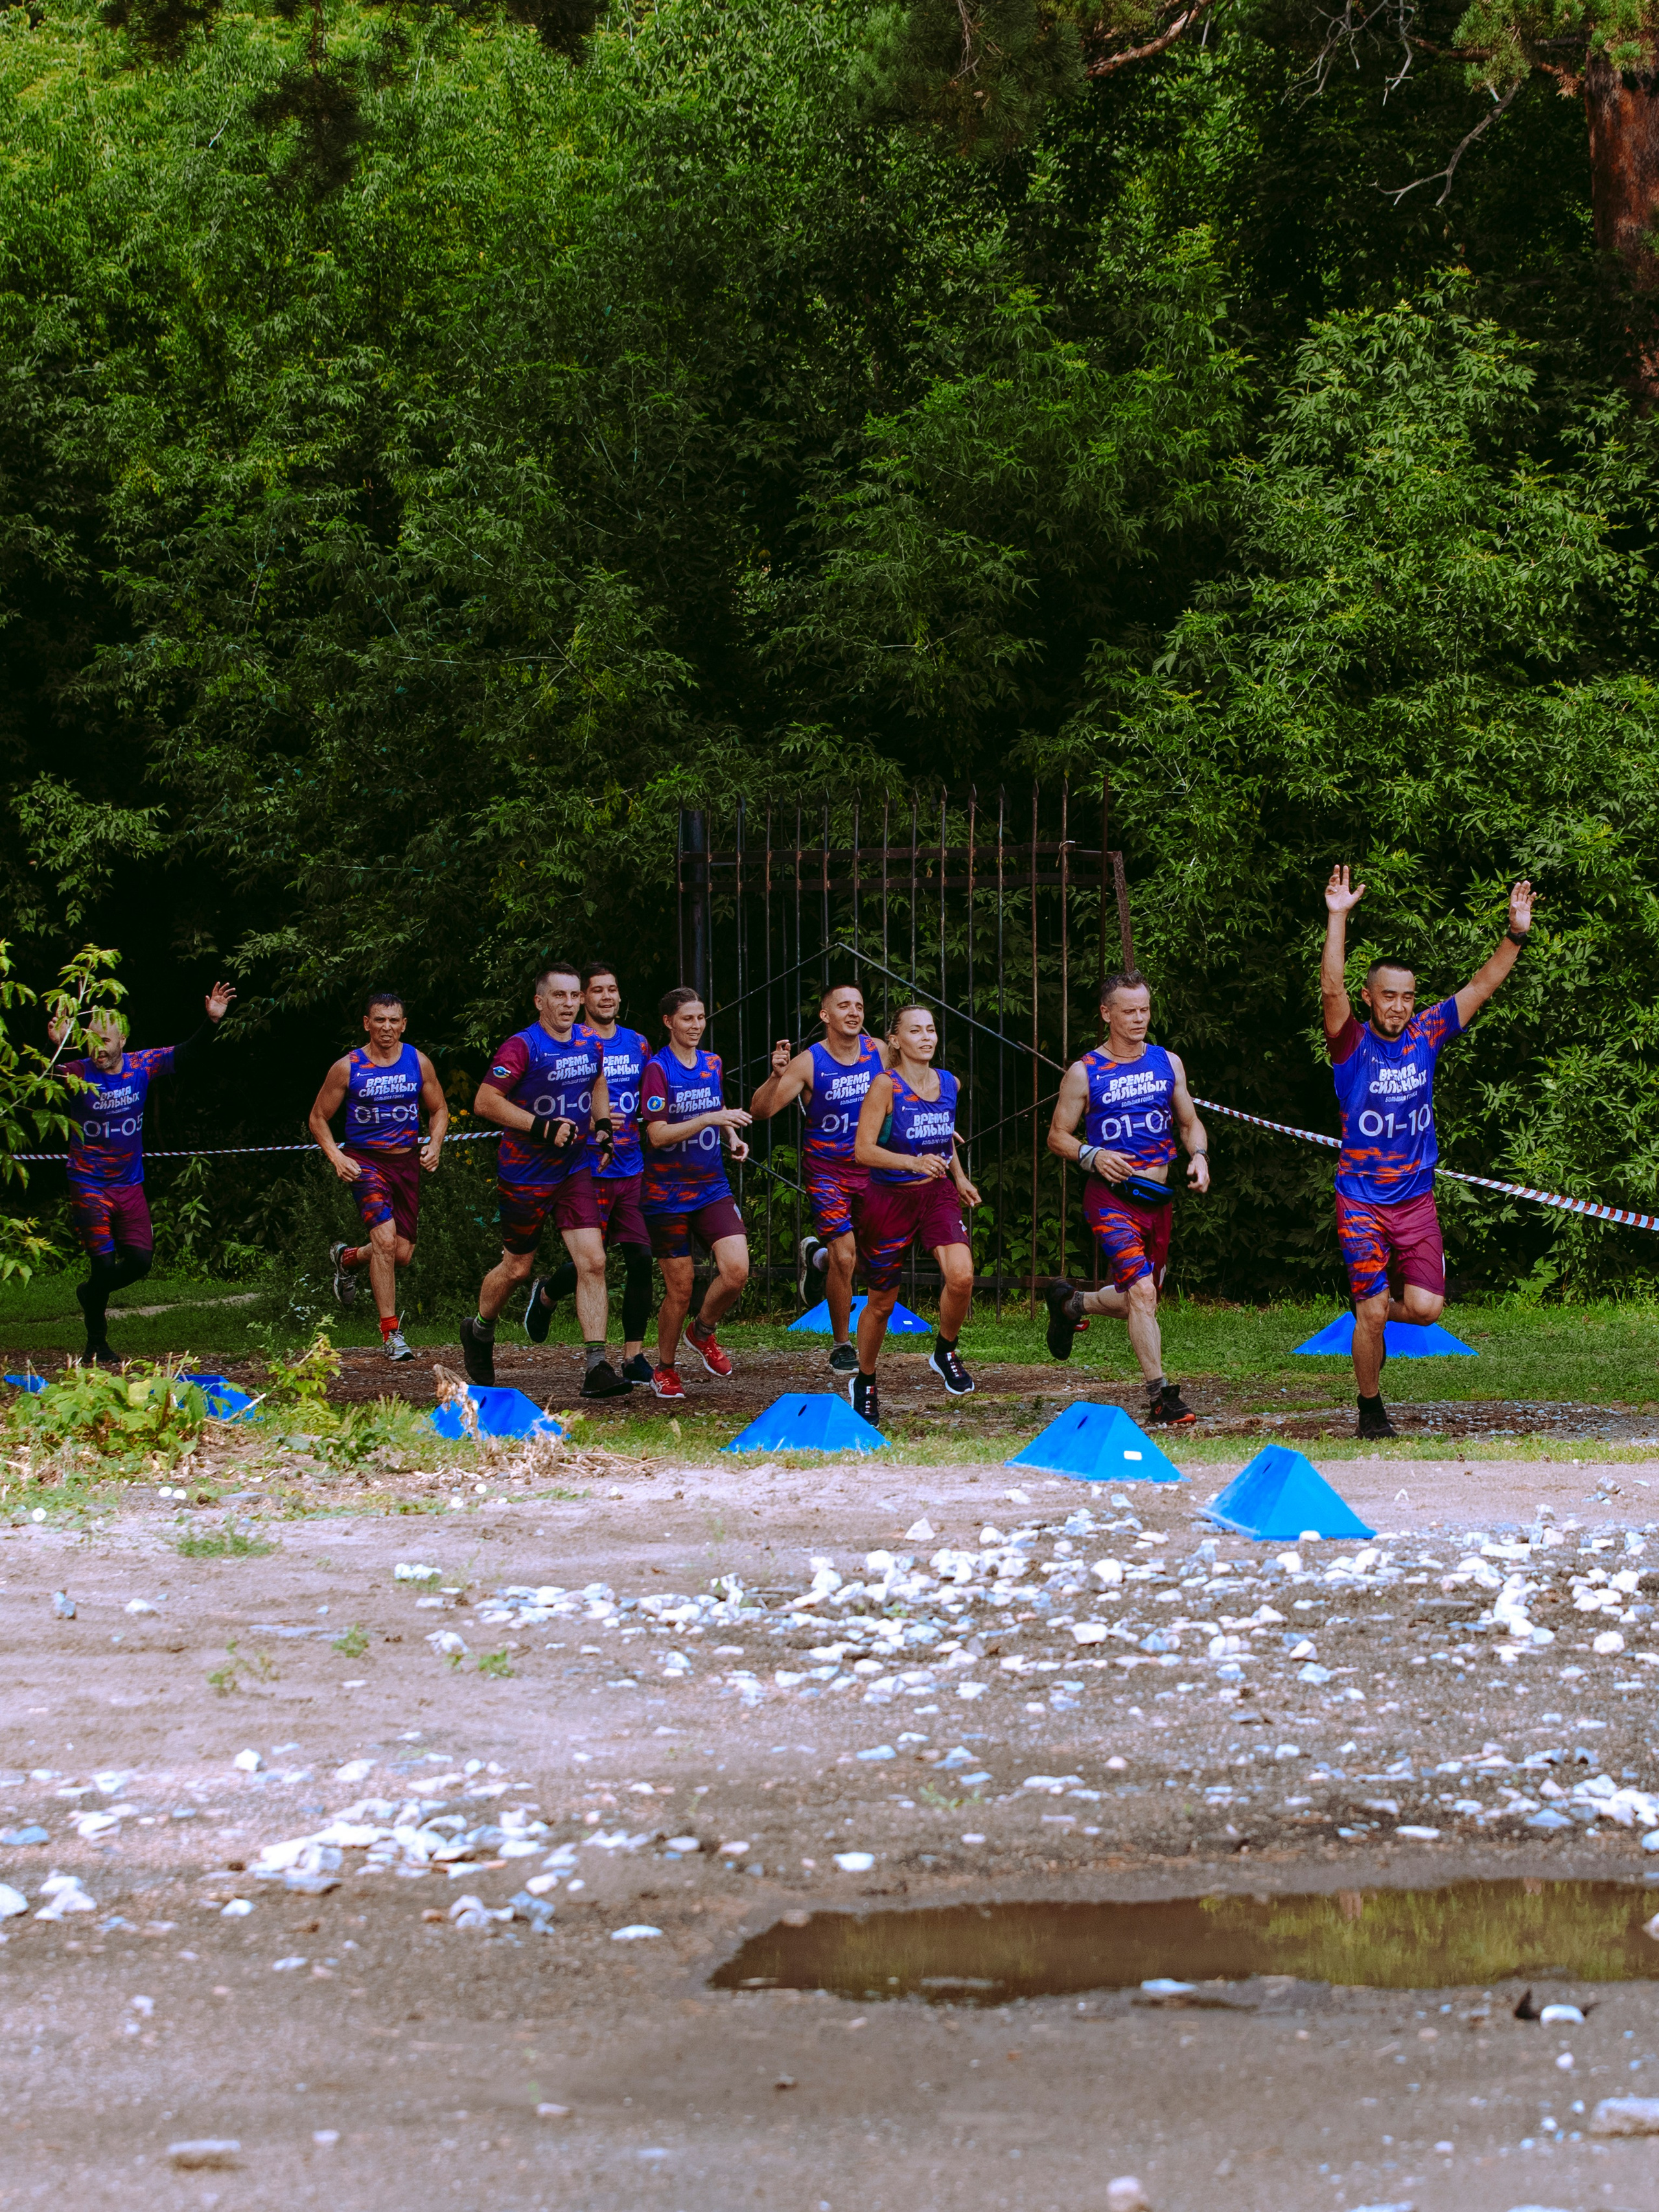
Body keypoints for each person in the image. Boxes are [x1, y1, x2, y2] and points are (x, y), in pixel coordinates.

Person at [1321, 863, 1533, 1439]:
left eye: (1408, 996)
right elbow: (1331, 988)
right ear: (1370, 998)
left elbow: (1482, 984)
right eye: (1389, 996)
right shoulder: (1350, 1044)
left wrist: (1515, 934)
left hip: (1415, 1200)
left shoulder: (1428, 1032)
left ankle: (1372, 1316)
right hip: (1361, 1200)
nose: (1399, 1006)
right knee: (1369, 1311)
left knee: (1427, 1307)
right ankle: (1371, 1410)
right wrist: (1338, 917)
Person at [1043, 969, 1210, 1427]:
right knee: (1140, 1291)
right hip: (1110, 1198)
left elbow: (1190, 1121)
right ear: (1106, 1013)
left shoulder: (1167, 1062)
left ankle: (1070, 1304)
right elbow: (1058, 1136)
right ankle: (1161, 1395)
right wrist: (1090, 1154)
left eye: (1145, 1010)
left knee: (1144, 1297)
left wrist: (1198, 1156)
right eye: (1129, 1011)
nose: (1139, 1019)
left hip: (1156, 1198)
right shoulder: (1085, 1071)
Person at [460, 961, 629, 1400]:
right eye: (560, 996)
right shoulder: (522, 1047)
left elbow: (597, 1083)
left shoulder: (590, 1041)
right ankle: (479, 1329)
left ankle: (597, 1365)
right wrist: (542, 1127)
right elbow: (484, 1101)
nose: (570, 1004)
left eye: (575, 996)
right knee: (518, 1267)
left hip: (573, 1168)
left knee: (593, 1260)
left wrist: (604, 1125)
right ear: (540, 1001)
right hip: (525, 1173)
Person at [49, 979, 237, 1364]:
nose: (98, 1049)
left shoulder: (142, 1065)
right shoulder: (75, 1072)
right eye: (91, 1041)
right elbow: (43, 1083)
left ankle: (90, 1293)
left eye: (106, 1040)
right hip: (88, 1183)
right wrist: (55, 1048)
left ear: (123, 1040)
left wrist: (212, 1022)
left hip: (129, 1185)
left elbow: (186, 1055)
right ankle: (96, 1343)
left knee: (139, 1263)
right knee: (102, 1263)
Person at [522, 962, 656, 1386]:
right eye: (597, 990)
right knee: (590, 1262)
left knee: (640, 1257)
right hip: (585, 1163)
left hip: (630, 1162)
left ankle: (633, 1355)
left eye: (612, 989)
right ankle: (546, 1294)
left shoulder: (638, 1043)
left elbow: (653, 1094)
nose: (606, 997)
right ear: (582, 1000)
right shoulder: (571, 1043)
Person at [847, 1003, 980, 1424]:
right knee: (882, 1303)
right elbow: (863, 1150)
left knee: (962, 1275)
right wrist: (913, 1162)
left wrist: (958, 1176)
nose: (926, 1037)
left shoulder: (949, 1083)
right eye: (915, 1030)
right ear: (896, 1039)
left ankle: (944, 1351)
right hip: (889, 1199)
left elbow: (943, 1139)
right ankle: (865, 1380)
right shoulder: (885, 1086)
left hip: (936, 1194)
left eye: (931, 1030)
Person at [748, 983, 888, 1373]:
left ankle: (817, 1259)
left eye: (859, 1005)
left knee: (866, 1259)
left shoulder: (879, 1050)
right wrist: (776, 1076)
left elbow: (909, 1086)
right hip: (828, 1172)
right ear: (826, 1016)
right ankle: (842, 1345)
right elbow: (761, 1112)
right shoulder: (809, 1063)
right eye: (844, 1006)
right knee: (847, 1257)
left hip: (873, 1167)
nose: (854, 1012)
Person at [307, 990, 448, 1362]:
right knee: (385, 1242)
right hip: (365, 1163)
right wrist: (336, 1157)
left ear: (404, 1024)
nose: (387, 1027)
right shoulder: (348, 1067)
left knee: (400, 1254)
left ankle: (348, 1258)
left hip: (406, 1165)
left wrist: (434, 1145)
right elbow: (318, 1118)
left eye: (394, 1020)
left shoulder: (418, 1062)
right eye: (379, 1020)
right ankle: (392, 1333)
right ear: (367, 1024)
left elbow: (439, 1110)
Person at [640, 988, 751, 1401]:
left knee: (736, 1271)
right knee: (681, 1288)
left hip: (711, 1186)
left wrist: (731, 1136)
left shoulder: (712, 1063)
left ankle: (702, 1331)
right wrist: (709, 1118)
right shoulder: (658, 1069)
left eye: (701, 1018)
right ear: (669, 1022)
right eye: (688, 1019)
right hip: (666, 1193)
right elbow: (657, 1134)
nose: (696, 1026)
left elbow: (717, 1106)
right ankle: (664, 1369)